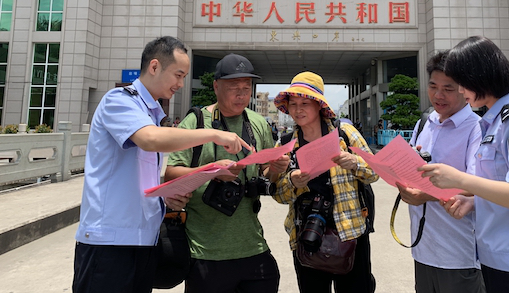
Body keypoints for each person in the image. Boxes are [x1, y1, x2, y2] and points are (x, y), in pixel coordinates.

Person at [73, 37, 248, 293]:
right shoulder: (119, 101)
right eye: (178, 75)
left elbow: (139, 177)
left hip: (143, 241)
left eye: (184, 76)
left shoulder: (150, 113)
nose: (180, 84)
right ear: (154, 67)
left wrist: (165, 199)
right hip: (108, 243)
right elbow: (150, 140)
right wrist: (213, 133)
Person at [419, 36, 509, 293]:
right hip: (501, 261)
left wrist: (460, 180)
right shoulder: (494, 122)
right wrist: (475, 202)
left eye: (462, 83)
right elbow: (505, 187)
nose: (462, 91)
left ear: (479, 77)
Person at [165, 53, 287, 293]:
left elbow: (265, 174)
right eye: (234, 87)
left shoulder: (257, 123)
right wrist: (212, 172)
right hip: (205, 252)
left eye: (247, 87)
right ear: (216, 86)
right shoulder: (196, 122)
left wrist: (274, 169)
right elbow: (170, 174)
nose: (242, 94)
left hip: (253, 246)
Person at [272, 71, 379, 293]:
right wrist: (292, 181)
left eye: (305, 103)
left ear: (319, 105)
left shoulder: (344, 133)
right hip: (308, 234)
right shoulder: (286, 145)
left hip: (350, 232)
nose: (298, 109)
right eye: (293, 104)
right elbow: (278, 194)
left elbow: (374, 172)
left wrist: (354, 162)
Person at [398, 51, 485, 293]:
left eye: (448, 88)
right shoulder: (424, 123)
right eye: (433, 86)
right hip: (423, 248)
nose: (438, 95)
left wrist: (425, 194)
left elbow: (478, 183)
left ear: (465, 90)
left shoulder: (476, 129)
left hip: (459, 252)